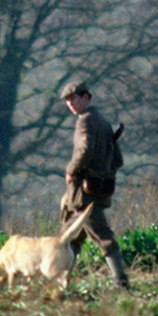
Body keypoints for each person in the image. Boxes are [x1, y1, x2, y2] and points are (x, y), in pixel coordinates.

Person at [58, 80, 130, 290]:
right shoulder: (102, 121)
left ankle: (121, 282)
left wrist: (71, 170)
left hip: (85, 194)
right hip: (99, 189)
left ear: (86, 97)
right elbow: (118, 159)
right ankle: (61, 282)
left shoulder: (85, 121)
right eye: (67, 100)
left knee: (103, 237)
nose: (70, 103)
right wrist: (104, 173)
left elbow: (85, 150)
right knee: (70, 239)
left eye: (74, 98)